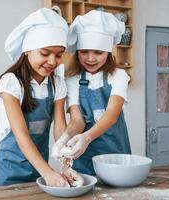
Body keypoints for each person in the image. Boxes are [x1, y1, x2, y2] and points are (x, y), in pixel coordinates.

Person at [0, 8, 70, 187]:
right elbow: (20, 134)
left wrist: (65, 165)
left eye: (59, 55)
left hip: (40, 167)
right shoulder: (11, 82)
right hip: (11, 168)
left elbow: (60, 128)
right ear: (27, 50)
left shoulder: (57, 83)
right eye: (45, 53)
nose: (52, 61)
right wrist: (49, 173)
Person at [52, 10, 132, 175]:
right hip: (84, 158)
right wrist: (64, 138)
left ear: (108, 52)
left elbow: (111, 115)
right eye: (84, 52)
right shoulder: (72, 79)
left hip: (115, 155)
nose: (90, 58)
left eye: (98, 52)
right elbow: (77, 120)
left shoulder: (118, 76)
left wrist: (86, 137)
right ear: (77, 52)